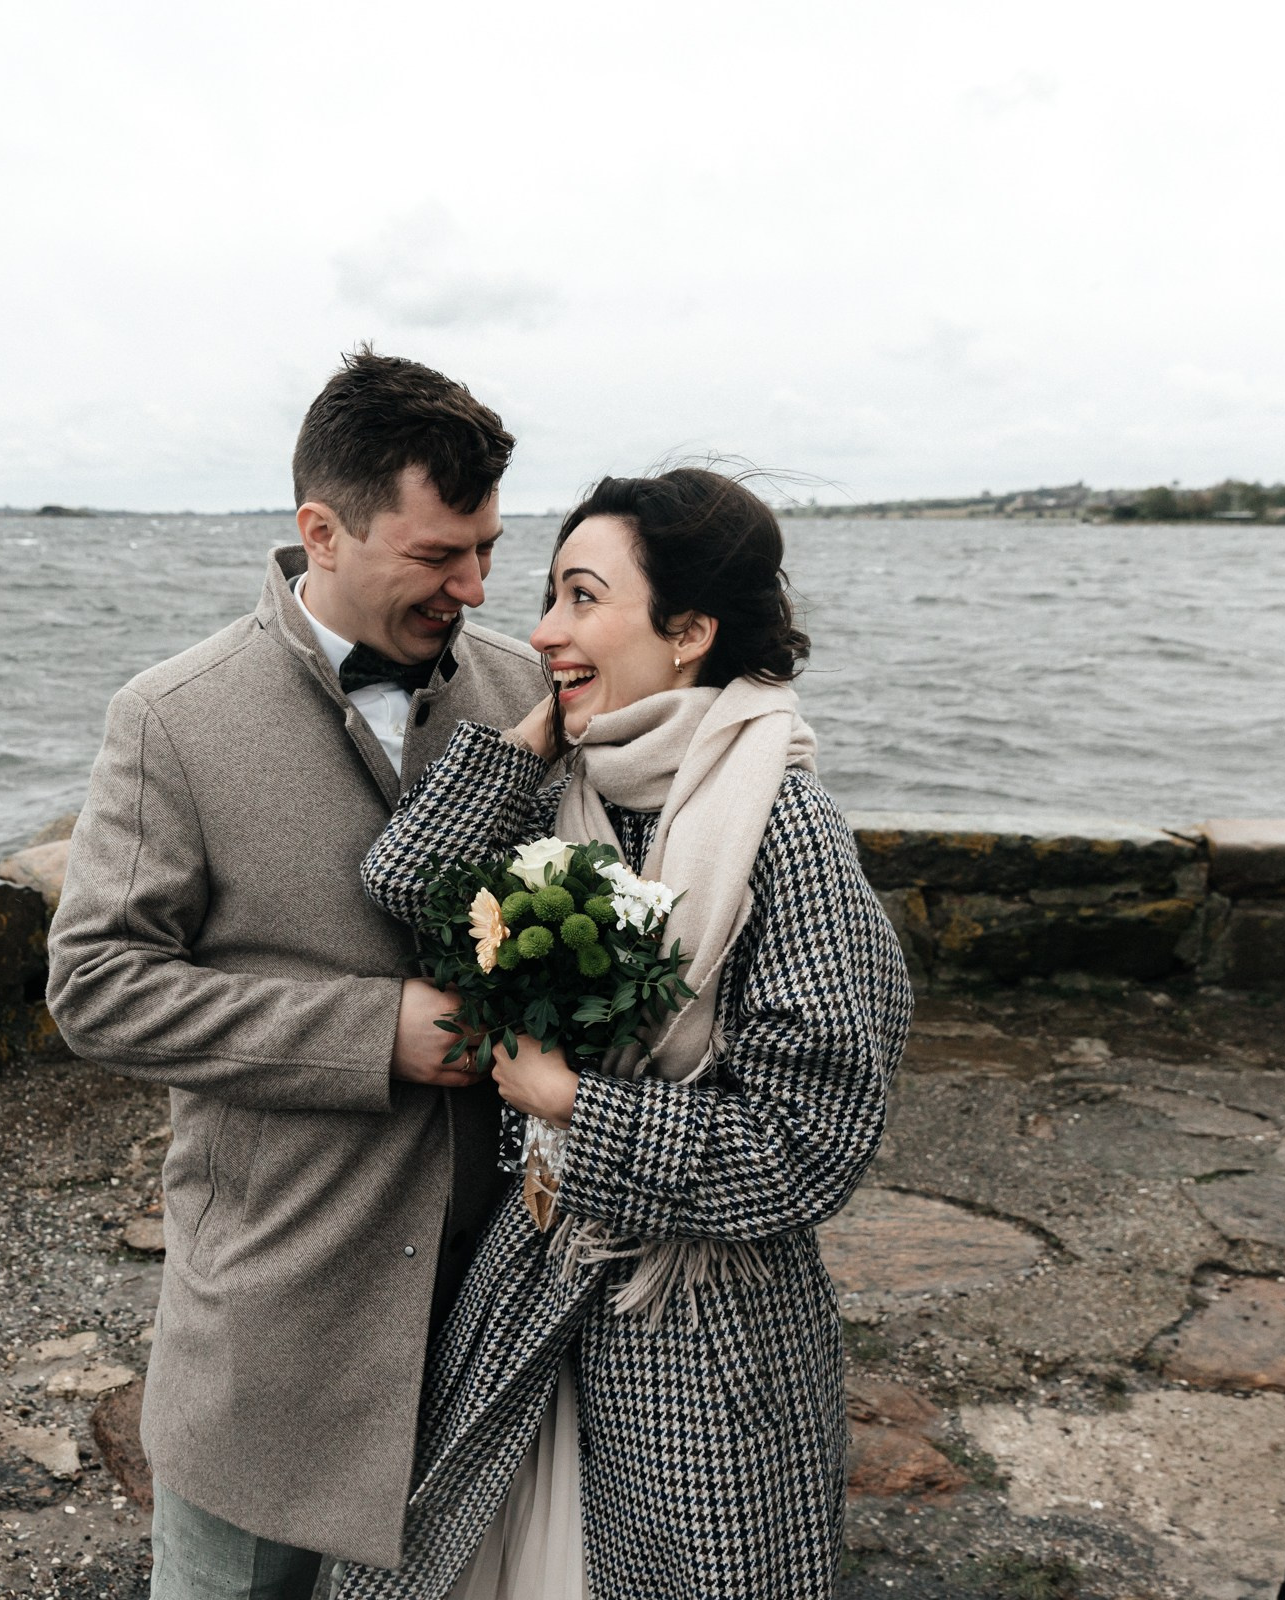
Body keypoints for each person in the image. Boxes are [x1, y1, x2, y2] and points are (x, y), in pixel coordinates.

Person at [338, 468, 911, 1600]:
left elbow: (814, 1141)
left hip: (698, 1327)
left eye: (581, 598)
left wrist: (569, 1103)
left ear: (690, 630)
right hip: (536, 1281)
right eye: (549, 596)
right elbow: (403, 879)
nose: (542, 628)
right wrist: (545, 724)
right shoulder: (584, 790)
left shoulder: (786, 833)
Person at [46, 350, 546, 1600]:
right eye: (441, 555)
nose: (476, 586)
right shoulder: (172, 716)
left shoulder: (525, 693)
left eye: (487, 546)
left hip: (490, 1302)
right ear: (321, 530)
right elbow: (97, 984)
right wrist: (371, 1032)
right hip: (275, 1324)